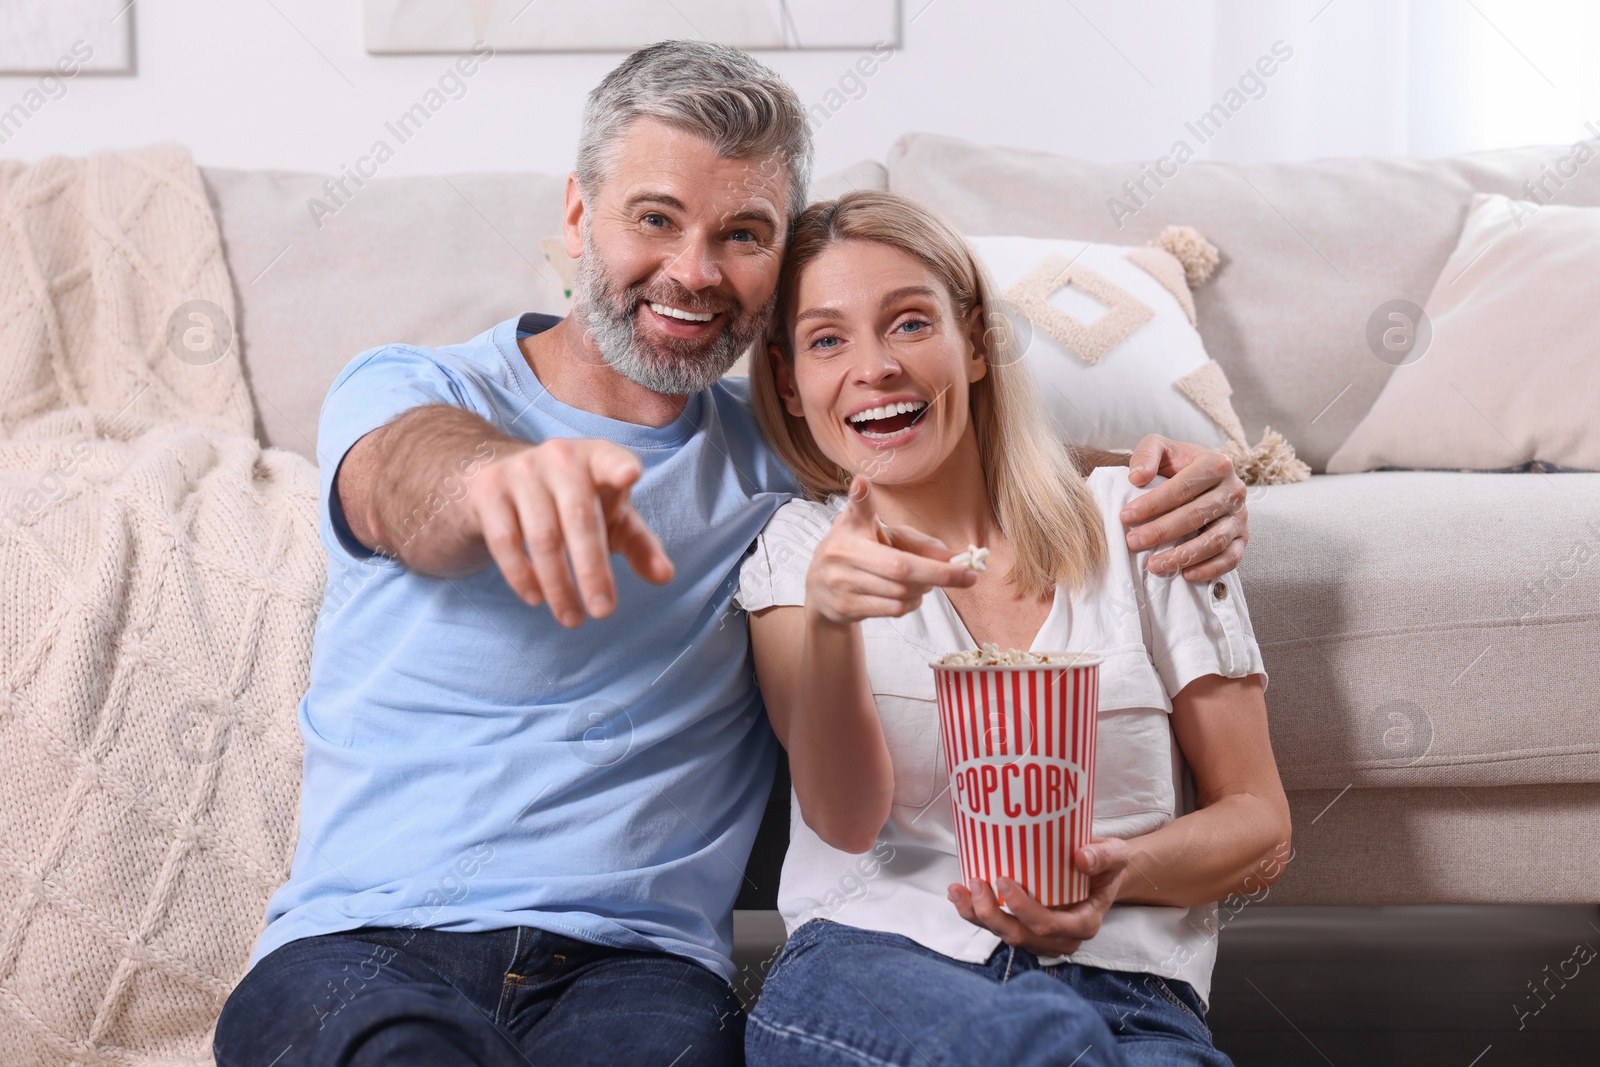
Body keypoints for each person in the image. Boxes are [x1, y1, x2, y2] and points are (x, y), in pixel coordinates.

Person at [214, 41, 1255, 1067]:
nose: (694, 270)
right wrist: (495, 483)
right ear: (578, 216)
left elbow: (943, 445)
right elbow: (405, 482)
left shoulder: (771, 455)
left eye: (743, 233)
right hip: (362, 944)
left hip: (633, 966)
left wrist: (1173, 472)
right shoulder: (415, 391)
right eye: (655, 219)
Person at [736, 190, 1292, 1067]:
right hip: (876, 968)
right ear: (790, 386)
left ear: (980, 344)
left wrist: (1114, 876)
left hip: (1124, 987)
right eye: (827, 339)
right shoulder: (794, 551)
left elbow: (1260, 823)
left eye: (910, 323)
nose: (874, 366)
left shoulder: (1142, 522)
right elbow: (842, 820)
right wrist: (836, 622)